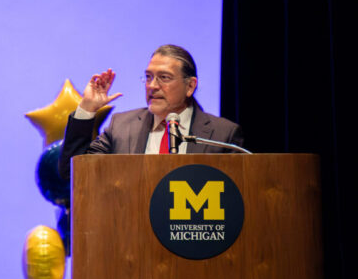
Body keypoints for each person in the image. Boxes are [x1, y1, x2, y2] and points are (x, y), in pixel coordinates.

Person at [59, 44, 244, 179]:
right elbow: (73, 173)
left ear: (190, 86)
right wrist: (87, 109)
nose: (152, 86)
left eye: (164, 78)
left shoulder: (223, 135)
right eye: (148, 77)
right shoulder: (121, 127)